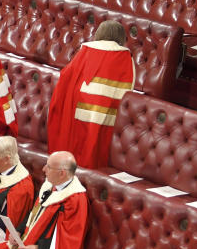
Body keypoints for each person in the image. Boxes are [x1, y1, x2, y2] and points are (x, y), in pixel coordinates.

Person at [46, 20, 134, 170]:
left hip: (79, 109)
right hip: (108, 118)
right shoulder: (126, 57)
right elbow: (129, 89)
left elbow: (67, 76)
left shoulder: (86, 51)